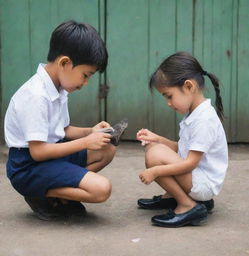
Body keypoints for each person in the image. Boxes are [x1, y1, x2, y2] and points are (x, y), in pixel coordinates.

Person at [4, 20, 116, 221]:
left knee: (107, 150)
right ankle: (40, 194)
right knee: (101, 189)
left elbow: (63, 130)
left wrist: (90, 131)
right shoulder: (36, 96)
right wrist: (85, 142)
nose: (85, 83)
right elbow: (37, 152)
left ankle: (60, 195)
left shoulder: (58, 87)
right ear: (65, 63)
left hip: (51, 155)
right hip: (27, 167)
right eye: (85, 75)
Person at [136, 52, 228, 228]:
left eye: (169, 96)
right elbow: (182, 149)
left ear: (188, 86)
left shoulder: (204, 120)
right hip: (196, 177)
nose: (168, 103)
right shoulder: (195, 114)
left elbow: (190, 163)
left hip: (203, 183)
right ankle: (172, 197)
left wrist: (155, 172)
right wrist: (157, 138)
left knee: (155, 156)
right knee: (153, 148)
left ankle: (187, 205)